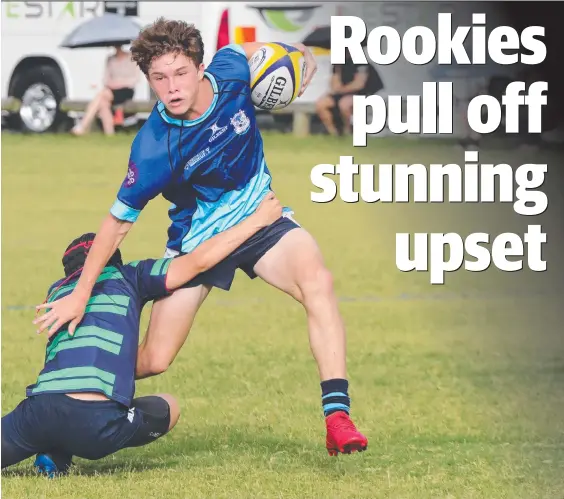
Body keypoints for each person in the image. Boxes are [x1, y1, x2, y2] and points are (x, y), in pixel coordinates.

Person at [35, 18, 368, 456]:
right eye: (159, 78)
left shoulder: (230, 69)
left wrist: (300, 61)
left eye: (180, 73)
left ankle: (337, 416)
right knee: (154, 359)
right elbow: (117, 223)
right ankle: (66, 408)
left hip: (260, 218)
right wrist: (80, 294)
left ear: (200, 66)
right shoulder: (153, 145)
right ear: (149, 80)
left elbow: (260, 53)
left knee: (318, 282)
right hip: (197, 245)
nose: (171, 87)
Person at [4, 194, 282, 475]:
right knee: (169, 406)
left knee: (54, 417)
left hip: (39, 411)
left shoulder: (58, 292)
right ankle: (62, 447)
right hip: (97, 424)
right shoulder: (129, 275)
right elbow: (197, 263)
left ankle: (53, 452)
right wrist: (257, 221)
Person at [71, 45, 140, 136]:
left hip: (126, 90)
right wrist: (113, 83)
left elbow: (135, 79)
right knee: (103, 103)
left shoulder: (132, 58)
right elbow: (106, 79)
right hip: (111, 90)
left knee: (101, 95)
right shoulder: (110, 59)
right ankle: (109, 133)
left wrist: (118, 82)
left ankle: (83, 125)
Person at [315, 52, 383, 136]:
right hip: (342, 93)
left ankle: (348, 131)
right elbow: (334, 85)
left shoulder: (362, 64)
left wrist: (341, 89)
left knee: (344, 104)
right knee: (321, 104)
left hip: (362, 93)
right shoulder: (337, 65)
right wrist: (338, 72)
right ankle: (333, 132)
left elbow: (359, 85)